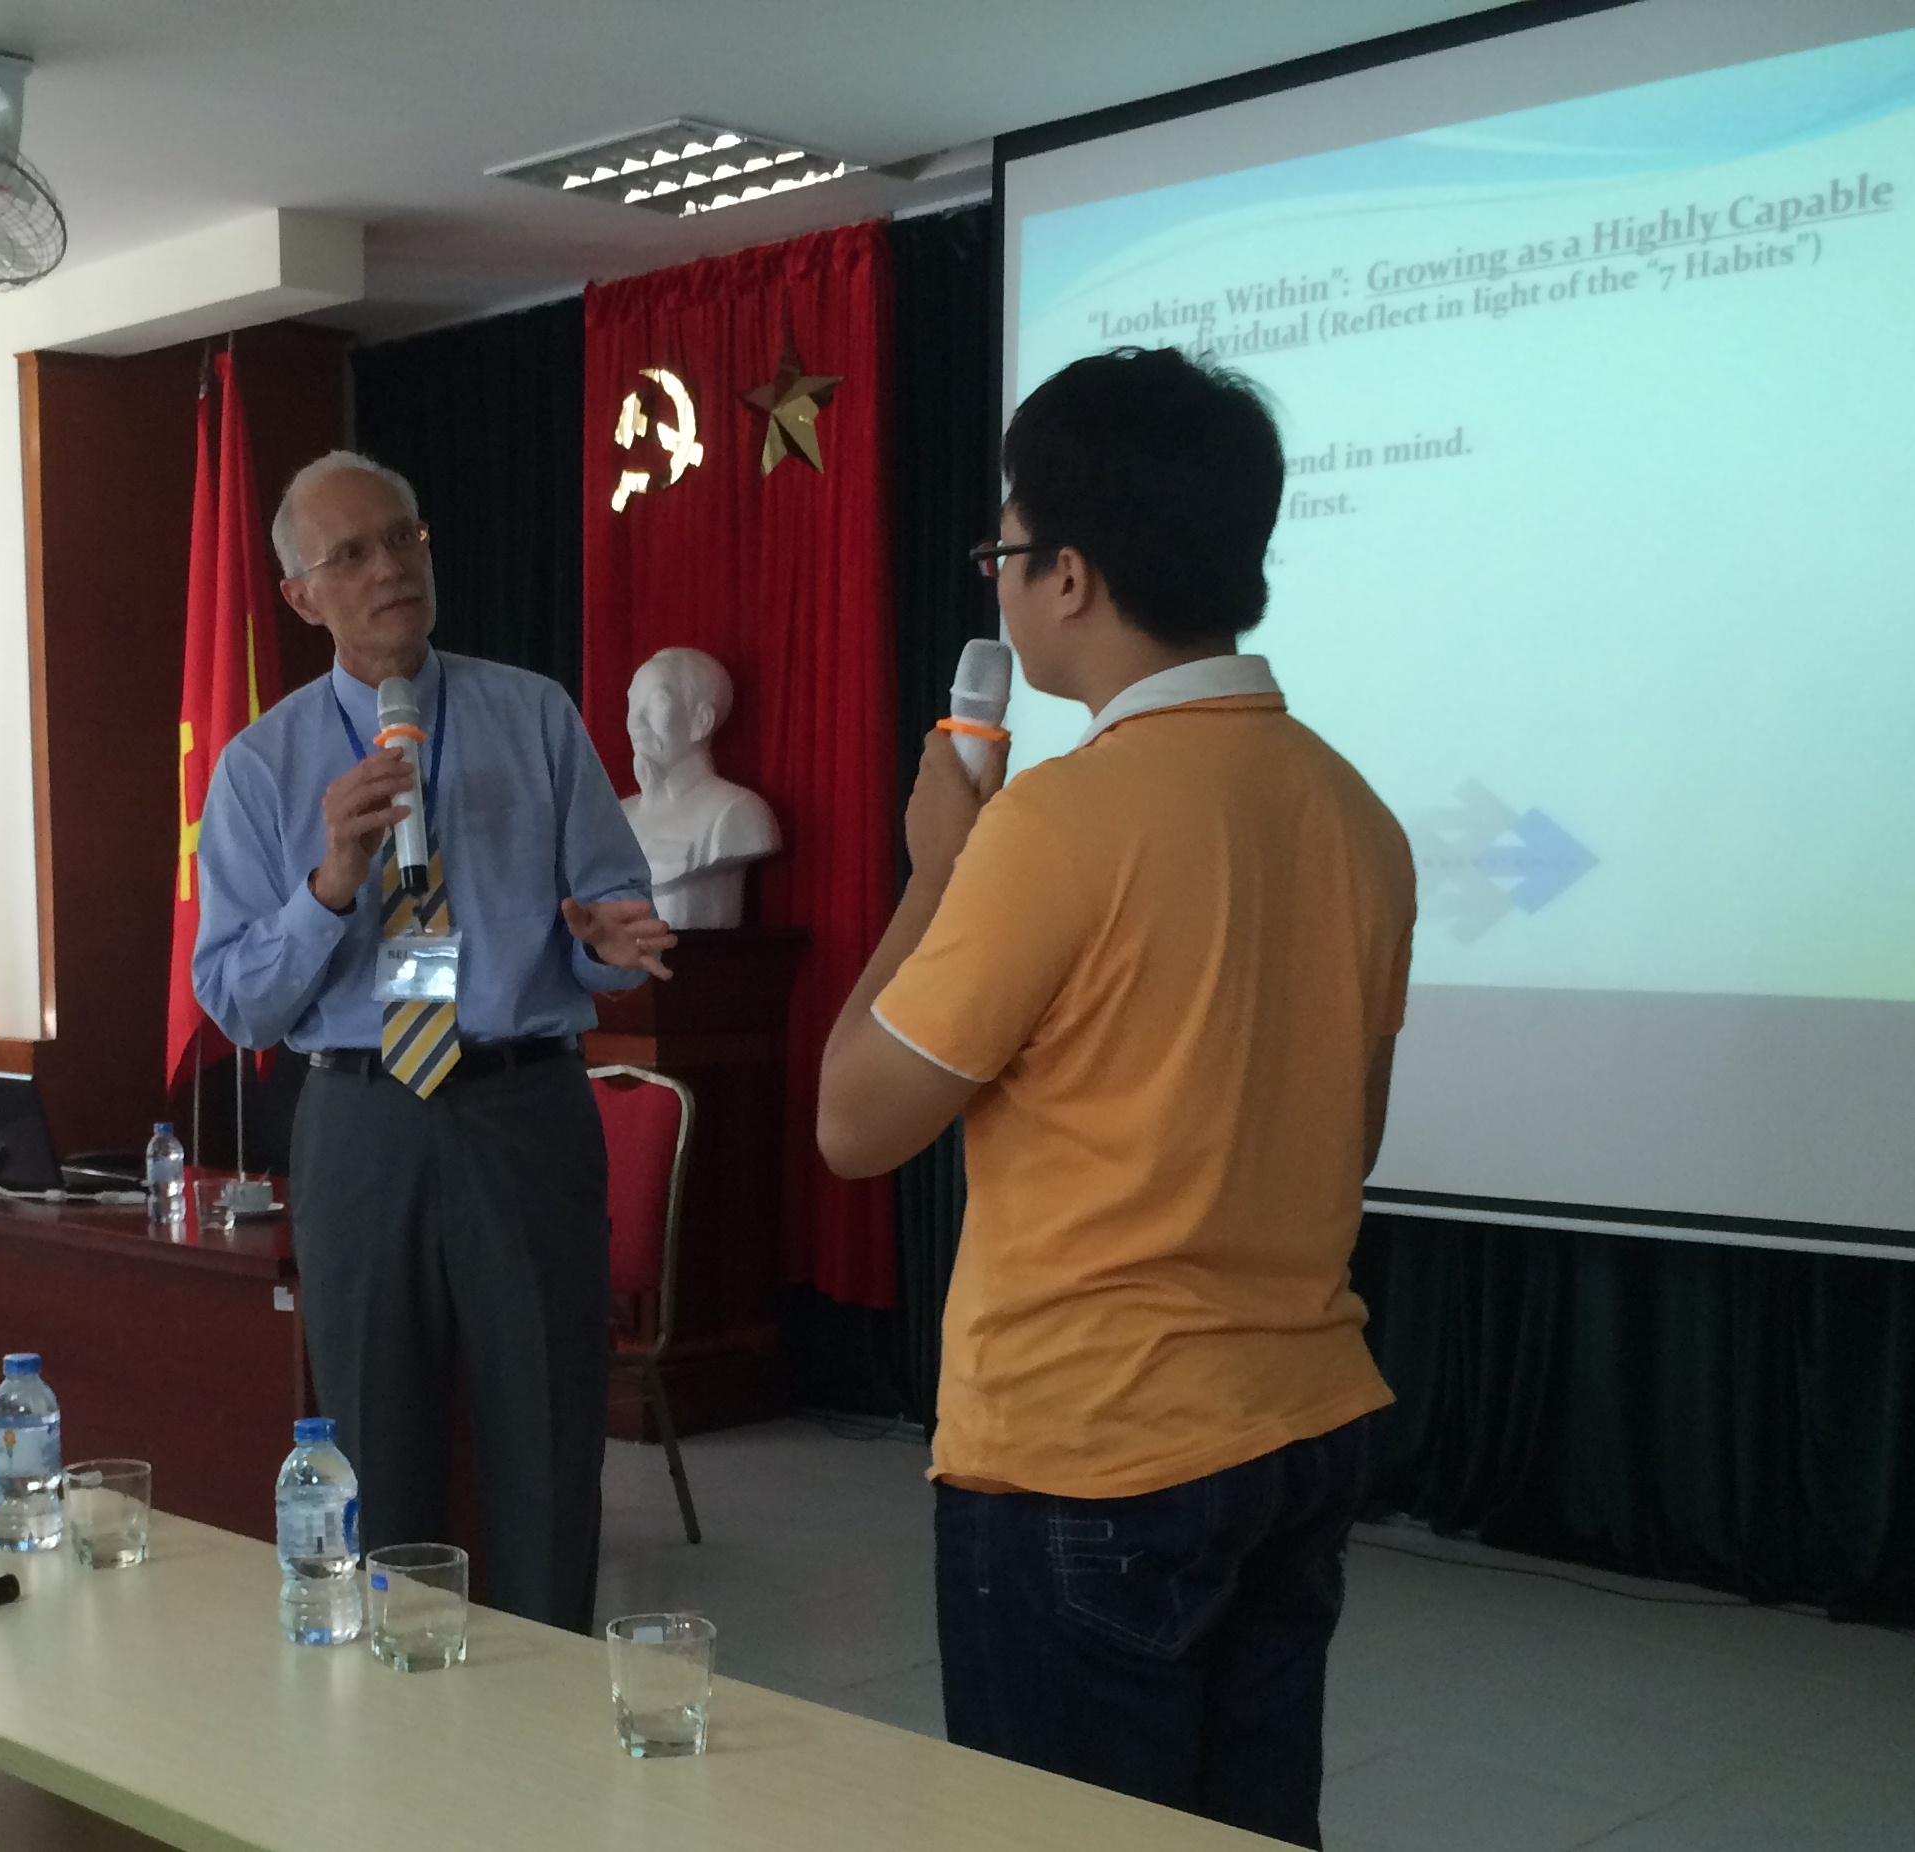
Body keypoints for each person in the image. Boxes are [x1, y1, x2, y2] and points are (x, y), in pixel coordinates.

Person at [815, 348, 1416, 1846]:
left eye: (1005, 551)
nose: (1002, 583)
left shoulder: (1056, 826)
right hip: (1296, 1428)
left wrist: (935, 874)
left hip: (1085, 1455)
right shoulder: (1356, 812)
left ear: (1069, 576)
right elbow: (1348, 1137)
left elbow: (854, 1121)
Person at [192, 449, 674, 1632]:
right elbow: (238, 1001)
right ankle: (394, 1710)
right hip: (363, 1120)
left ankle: (549, 1708)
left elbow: (610, 912)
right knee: (376, 1444)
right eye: (351, 553)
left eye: (403, 538)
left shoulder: (535, 715)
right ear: (302, 595)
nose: (389, 569)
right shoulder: (260, 767)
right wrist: (330, 883)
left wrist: (612, 944)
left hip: (523, 1107)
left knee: (547, 1443)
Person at [620, 646, 781, 929]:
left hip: (698, 952)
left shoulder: (736, 812)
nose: (635, 721)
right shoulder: (621, 816)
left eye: (657, 701)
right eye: (632, 703)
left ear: (701, 721)